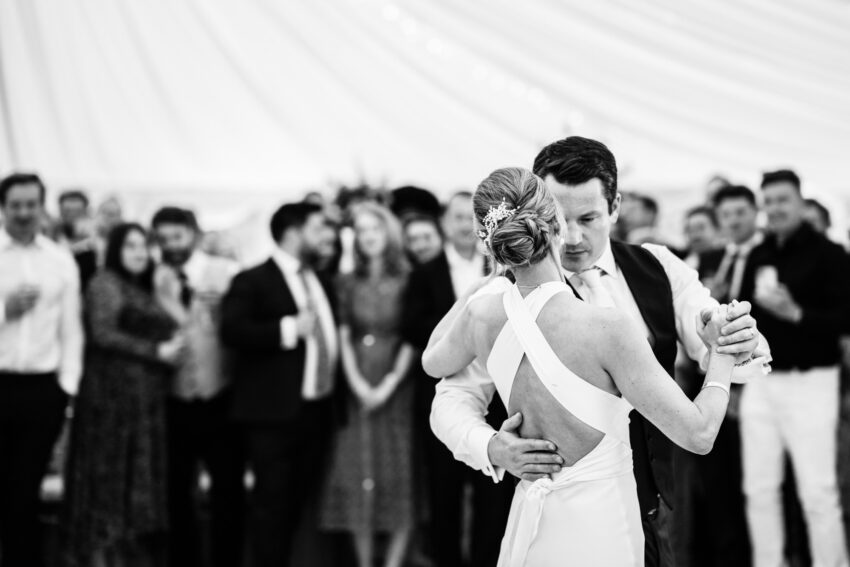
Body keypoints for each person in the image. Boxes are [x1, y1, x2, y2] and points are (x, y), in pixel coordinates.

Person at [430, 137, 767, 567]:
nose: (572, 235)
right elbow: (451, 397)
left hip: (659, 501)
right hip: (552, 503)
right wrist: (491, 446)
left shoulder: (658, 265)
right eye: (563, 218)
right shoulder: (499, 300)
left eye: (588, 217)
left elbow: (721, 331)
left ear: (615, 206)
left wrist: (738, 337)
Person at [739, 169, 850, 567]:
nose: (775, 209)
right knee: (758, 489)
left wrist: (797, 313)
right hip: (762, 382)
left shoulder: (830, 254)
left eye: (783, 200)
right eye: (768, 202)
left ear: (801, 202)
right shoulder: (759, 253)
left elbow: (845, 317)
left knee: (818, 493)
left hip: (813, 382)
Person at [221, 202, 339, 567]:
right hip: (273, 416)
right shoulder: (252, 279)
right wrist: (288, 329)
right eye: (319, 228)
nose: (327, 236)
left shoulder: (319, 278)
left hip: (317, 412)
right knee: (271, 508)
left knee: (299, 507)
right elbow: (231, 330)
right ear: (293, 231)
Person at [63, 223, 184, 567]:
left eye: (144, 246)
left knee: (139, 484)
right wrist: (155, 351)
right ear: (116, 249)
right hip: (112, 401)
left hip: (146, 403)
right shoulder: (105, 283)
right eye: (131, 246)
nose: (139, 253)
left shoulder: (143, 287)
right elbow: (103, 334)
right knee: (111, 483)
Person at [403, 191, 514, 567]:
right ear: (444, 224)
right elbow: (412, 327)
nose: (466, 225)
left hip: (500, 400)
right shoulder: (424, 272)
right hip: (441, 392)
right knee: (443, 494)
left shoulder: (505, 266)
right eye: (457, 218)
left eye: (472, 218)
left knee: (493, 496)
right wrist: (461, 335)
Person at [320, 202, 416, 567]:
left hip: (398, 380)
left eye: (374, 229)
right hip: (356, 375)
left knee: (399, 469)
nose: (368, 237)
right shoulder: (346, 281)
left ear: (387, 233)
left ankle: (393, 562)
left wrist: (390, 383)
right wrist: (357, 382)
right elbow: (343, 334)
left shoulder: (407, 278)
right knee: (356, 466)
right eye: (361, 231)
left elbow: (411, 334)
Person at [151, 207, 246, 567]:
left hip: (221, 397)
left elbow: (239, 329)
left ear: (193, 233)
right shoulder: (154, 276)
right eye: (162, 239)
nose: (170, 246)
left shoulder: (226, 271)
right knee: (177, 493)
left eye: (177, 237)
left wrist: (223, 309)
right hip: (174, 399)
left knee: (228, 492)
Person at [0, 173, 83, 567]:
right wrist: (4, 311)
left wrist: (66, 386)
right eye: (15, 205)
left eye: (31, 204)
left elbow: (72, 329)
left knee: (24, 491)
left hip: (41, 391)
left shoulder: (60, 259)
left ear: (41, 206)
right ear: (3, 207)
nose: (23, 213)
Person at [682, 206, 720, 270]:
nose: (695, 235)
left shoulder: (728, 261)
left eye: (700, 228)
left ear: (717, 229)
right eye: (690, 230)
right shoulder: (681, 264)